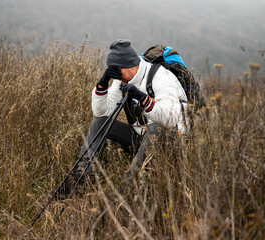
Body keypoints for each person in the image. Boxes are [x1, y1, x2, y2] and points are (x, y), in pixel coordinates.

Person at [75, 39, 189, 187]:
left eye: (118, 71)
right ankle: (82, 178)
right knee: (100, 122)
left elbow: (171, 119)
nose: (117, 77)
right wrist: (102, 84)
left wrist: (143, 99)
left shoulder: (161, 77)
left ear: (131, 66)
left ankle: (128, 187)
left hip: (172, 141)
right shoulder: (122, 81)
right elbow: (102, 112)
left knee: (155, 129)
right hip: (141, 139)